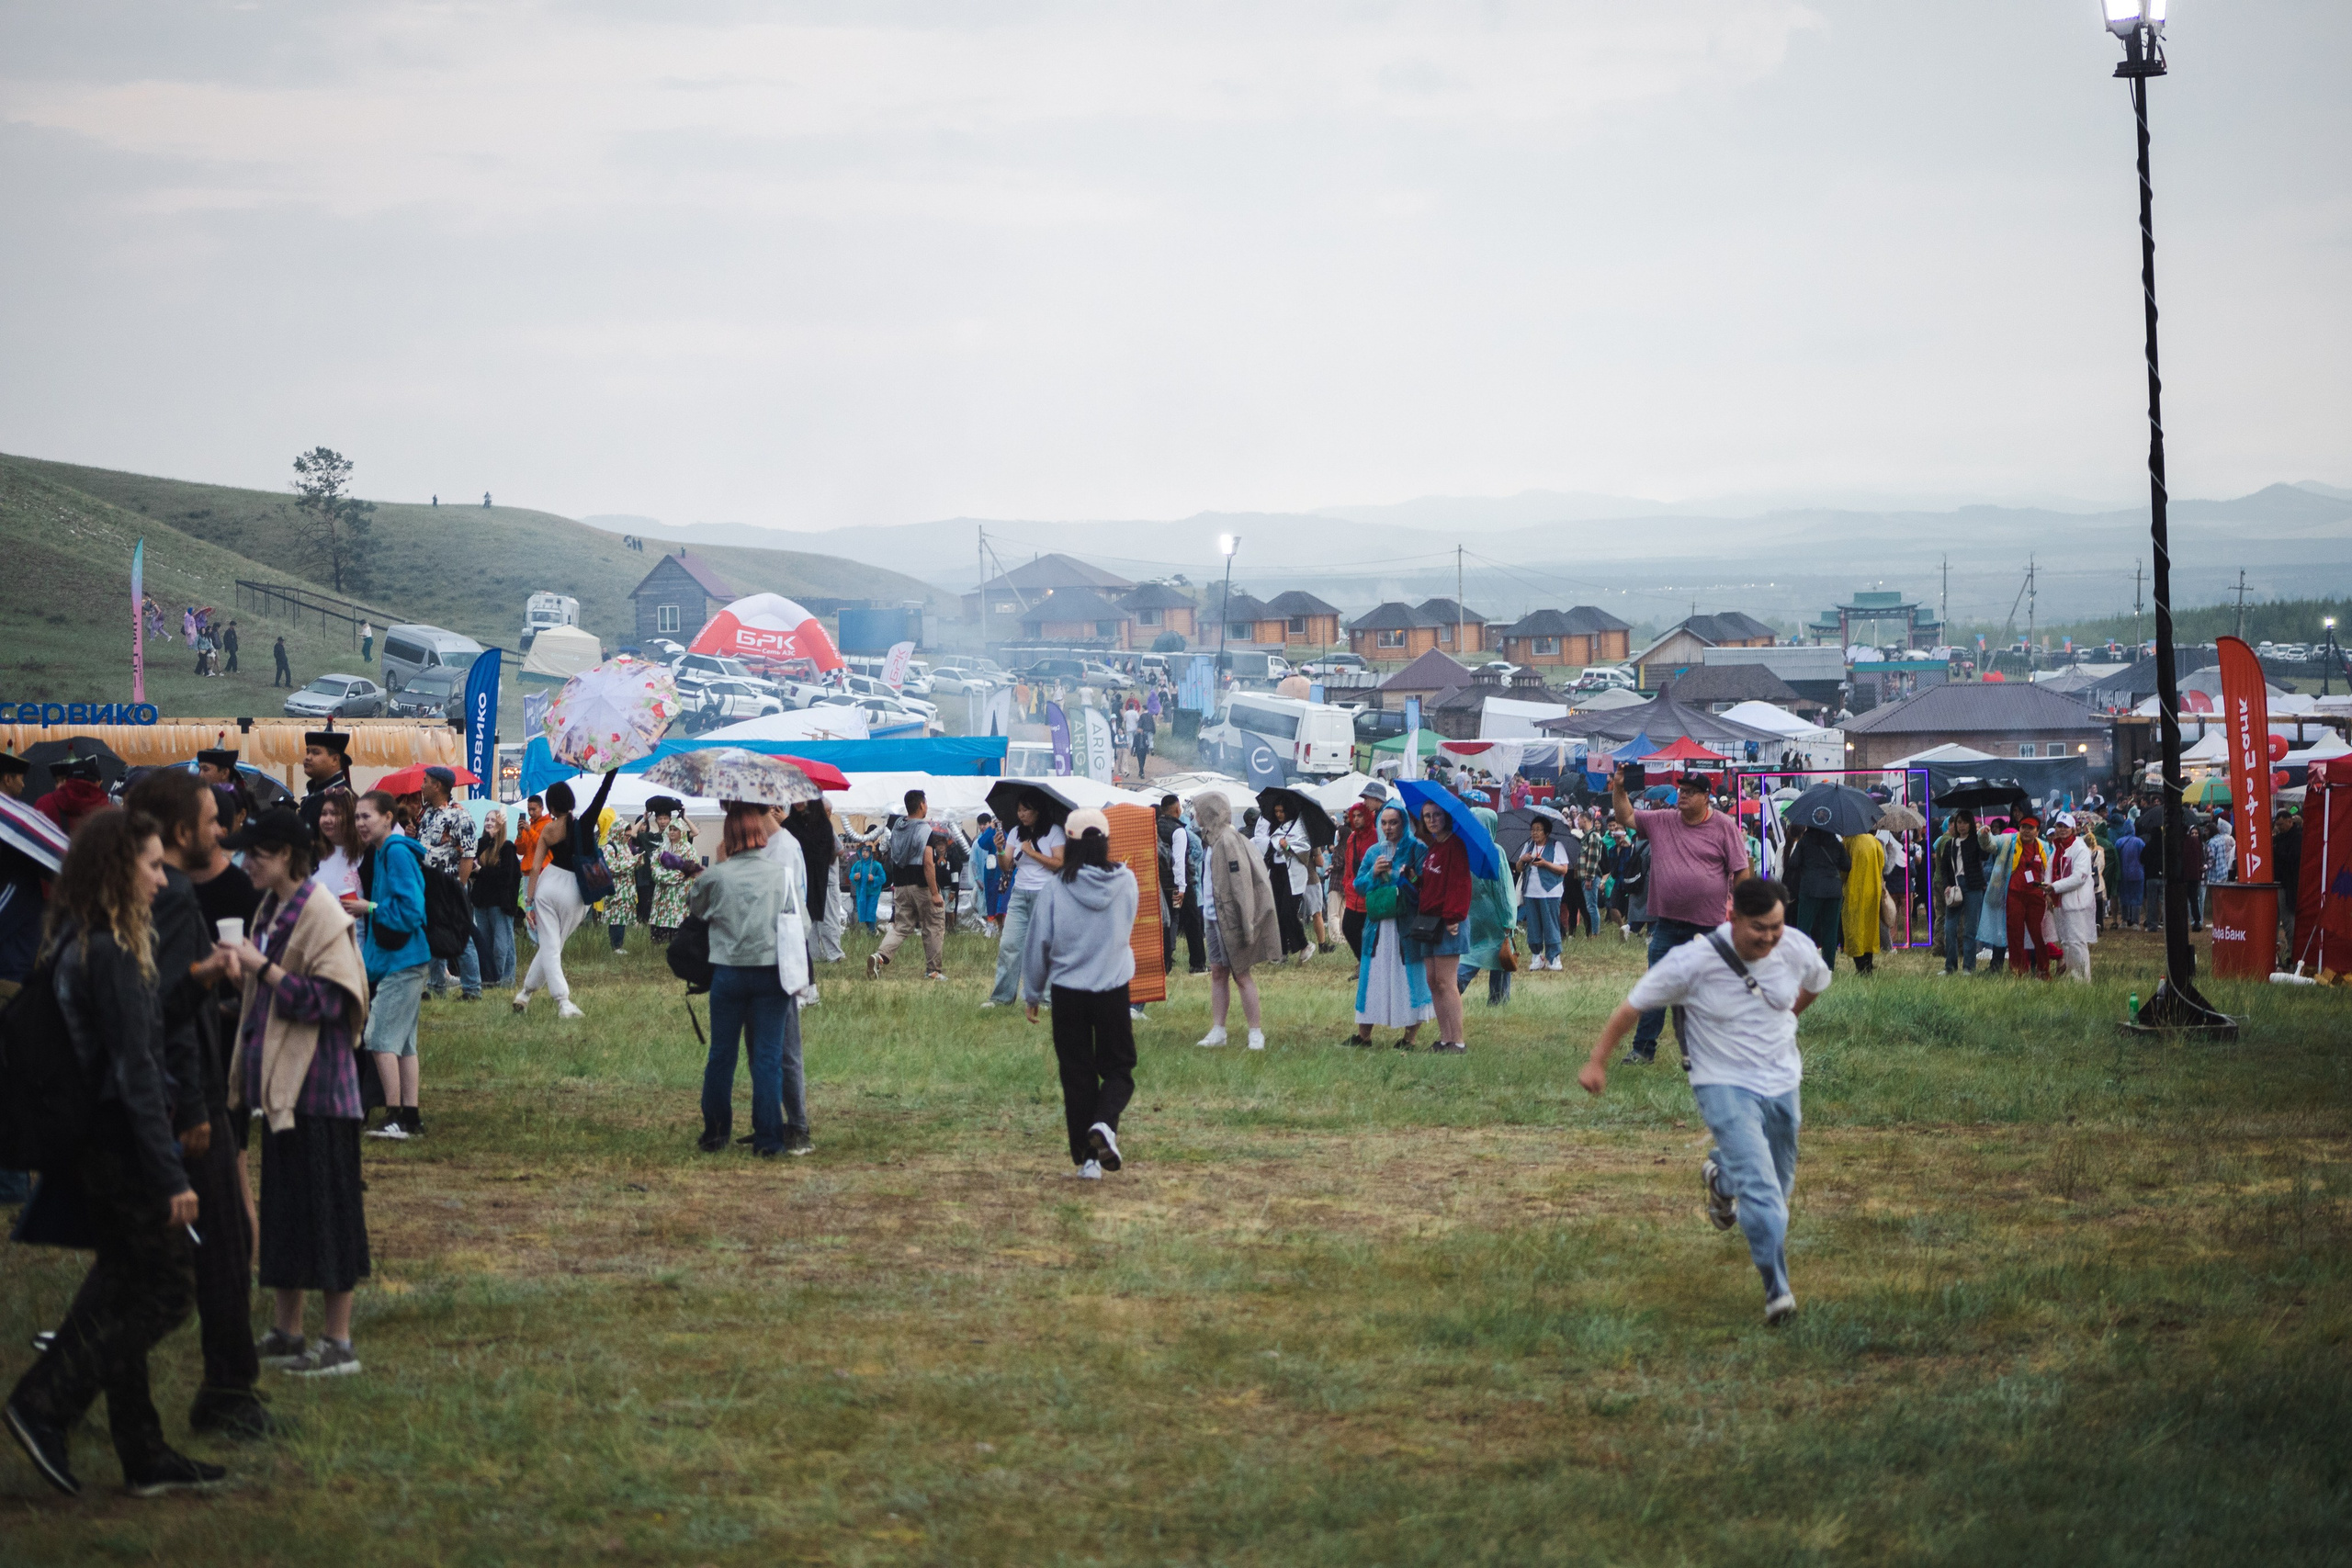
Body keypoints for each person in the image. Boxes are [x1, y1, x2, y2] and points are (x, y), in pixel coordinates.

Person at [5, 808, 223, 1499]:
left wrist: (198, 980)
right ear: (117, 868)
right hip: (120, 1143)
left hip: (95, 1139)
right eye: (153, 865)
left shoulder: (80, 938)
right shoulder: (112, 950)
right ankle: (46, 1401)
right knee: (169, 1288)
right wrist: (169, 1178)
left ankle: (143, 1450)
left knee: (120, 1284)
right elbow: (133, 1067)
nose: (163, 878)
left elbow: (142, 1025)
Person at [1577, 877, 1830, 1328]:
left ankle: (1721, 1175)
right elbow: (1630, 1008)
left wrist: (1789, 1016)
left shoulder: (1794, 946)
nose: (1770, 937)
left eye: (1776, 925)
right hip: (1722, 1081)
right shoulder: (1692, 961)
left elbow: (1816, 981)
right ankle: (1778, 1292)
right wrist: (1597, 1062)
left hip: (1782, 1078)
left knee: (1780, 1180)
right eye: (1759, 928)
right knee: (1763, 1189)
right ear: (1731, 918)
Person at [218, 807, 373, 1380]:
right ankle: (288, 1332)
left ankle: (339, 1345)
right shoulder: (272, 908)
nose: (245, 861)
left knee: (329, 1213)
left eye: (256, 853)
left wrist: (266, 971)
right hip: (284, 1092)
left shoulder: (320, 913)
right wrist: (245, 977)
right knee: (286, 1212)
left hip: (323, 1095)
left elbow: (336, 1002)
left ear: (285, 855)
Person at [1022, 809, 1138, 1180]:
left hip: (1068, 992)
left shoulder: (1056, 888)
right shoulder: (1126, 882)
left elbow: (1039, 941)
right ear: (1104, 841)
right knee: (1119, 1069)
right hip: (1113, 989)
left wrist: (1032, 992)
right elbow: (1128, 926)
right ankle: (1105, 1124)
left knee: (1077, 1074)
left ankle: (1088, 1161)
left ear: (1068, 842)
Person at [690, 802, 812, 1157]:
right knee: (768, 1058)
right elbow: (802, 926)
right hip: (771, 974)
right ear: (761, 833)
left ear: (728, 837)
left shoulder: (717, 876)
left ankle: (715, 1132)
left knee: (721, 1056)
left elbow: (697, 909)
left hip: (727, 973)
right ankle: (770, 1139)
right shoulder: (781, 876)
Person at [1610, 769, 1752, 1065]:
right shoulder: (1662, 820)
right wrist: (1620, 789)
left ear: (1706, 797)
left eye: (1690, 791)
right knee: (1656, 988)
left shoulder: (1724, 827)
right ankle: (1642, 1050)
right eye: (1681, 790)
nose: (1683, 794)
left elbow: (1741, 870)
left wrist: (1740, 911)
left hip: (1708, 927)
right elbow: (1626, 817)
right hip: (1667, 925)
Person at [353, 791, 432, 1136]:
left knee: (379, 1038)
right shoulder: (386, 851)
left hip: (404, 960)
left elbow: (412, 909)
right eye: (357, 817)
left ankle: (396, 1115)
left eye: (366, 816)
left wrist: (368, 908)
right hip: (405, 960)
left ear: (388, 817)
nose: (360, 824)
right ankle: (409, 1118)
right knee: (404, 1044)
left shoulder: (396, 852)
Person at [516, 773, 617, 1018]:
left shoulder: (548, 831)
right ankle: (562, 1001)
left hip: (548, 885)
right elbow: (601, 797)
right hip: (576, 890)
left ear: (550, 806)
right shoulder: (583, 824)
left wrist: (528, 904)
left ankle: (526, 993)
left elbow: (536, 868)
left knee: (549, 946)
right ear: (571, 802)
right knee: (554, 946)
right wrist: (611, 772)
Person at [1191, 791, 1277, 1051]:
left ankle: (1255, 1032)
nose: (1194, 815)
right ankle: (1218, 1030)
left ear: (1209, 812)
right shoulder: (1213, 839)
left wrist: (1245, 919)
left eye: (1198, 810)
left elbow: (1240, 884)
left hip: (1229, 917)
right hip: (1212, 914)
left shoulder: (1228, 840)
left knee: (1241, 973)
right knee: (1218, 972)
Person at [1349, 803, 1433, 1048]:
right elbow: (1358, 886)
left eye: (1393, 822)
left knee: (1408, 978)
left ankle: (1409, 1038)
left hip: (1406, 926)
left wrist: (1405, 876)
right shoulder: (1374, 852)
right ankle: (1363, 1036)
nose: (1387, 828)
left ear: (1404, 823)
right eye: (1383, 822)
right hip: (1377, 927)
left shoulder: (1417, 849)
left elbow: (1424, 886)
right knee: (1373, 975)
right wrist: (1374, 873)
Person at [982, 792, 1062, 1004]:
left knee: (1043, 948)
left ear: (1037, 811)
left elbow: (1059, 864)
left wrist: (1031, 852)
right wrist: (999, 849)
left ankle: (1044, 1000)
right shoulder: (1016, 832)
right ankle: (1001, 998)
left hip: (1045, 894)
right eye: (1019, 810)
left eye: (1025, 810)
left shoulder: (1054, 832)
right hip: (1019, 894)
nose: (1021, 814)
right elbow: (1006, 865)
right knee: (1009, 945)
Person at [1414, 798, 1476, 1052]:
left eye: (1436, 815)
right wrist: (1413, 879)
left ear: (1446, 817)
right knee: (1432, 981)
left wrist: (1454, 916)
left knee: (1447, 982)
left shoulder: (1455, 846)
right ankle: (1444, 1038)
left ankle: (1458, 1040)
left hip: (1449, 921)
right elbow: (1432, 884)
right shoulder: (1433, 848)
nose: (1431, 820)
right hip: (1429, 921)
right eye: (1427, 816)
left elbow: (1460, 884)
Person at [415, 767, 481, 998]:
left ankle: (473, 989)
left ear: (438, 786)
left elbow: (468, 855)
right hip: (428, 884)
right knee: (434, 935)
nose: (421, 786)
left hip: (449, 884)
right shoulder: (427, 814)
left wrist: (460, 887)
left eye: (425, 782)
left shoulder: (459, 815)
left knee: (460, 935)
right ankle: (436, 987)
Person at [872, 789, 946, 983]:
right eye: (926, 803)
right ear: (922, 805)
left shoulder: (898, 827)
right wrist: (935, 893)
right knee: (933, 925)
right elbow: (928, 863)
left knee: (901, 926)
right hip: (921, 885)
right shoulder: (924, 830)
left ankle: (880, 956)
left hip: (901, 884)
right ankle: (933, 971)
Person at [470, 807, 521, 988]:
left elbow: (505, 877)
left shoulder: (507, 848)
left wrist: (481, 871)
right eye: (487, 820)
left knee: (502, 946)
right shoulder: (482, 845)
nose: (489, 823)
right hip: (481, 902)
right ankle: (489, 979)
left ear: (501, 825)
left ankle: (504, 981)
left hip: (500, 903)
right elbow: (471, 857)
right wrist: (488, 837)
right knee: (485, 945)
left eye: (493, 820)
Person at [1933, 812, 1990, 975]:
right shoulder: (1950, 844)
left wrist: (1985, 837)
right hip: (1955, 888)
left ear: (1970, 824)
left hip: (1973, 887)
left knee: (1969, 929)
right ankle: (1950, 966)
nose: (1961, 825)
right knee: (1949, 927)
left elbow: (1985, 855)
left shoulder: (1976, 841)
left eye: (1965, 822)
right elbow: (1944, 869)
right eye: (1959, 822)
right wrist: (1947, 885)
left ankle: (1968, 966)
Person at [1335, 786, 1383, 966]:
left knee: (1371, 933)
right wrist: (1346, 884)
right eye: (1353, 816)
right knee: (1348, 928)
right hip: (1354, 892)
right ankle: (1364, 963)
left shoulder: (1377, 836)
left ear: (1367, 816)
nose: (1356, 819)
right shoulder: (1351, 838)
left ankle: (1370, 965)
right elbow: (1348, 865)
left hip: (1371, 893)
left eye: (1359, 815)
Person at [2049, 814, 2098, 983]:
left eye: (2065, 826)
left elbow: (2080, 877)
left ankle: (2083, 979)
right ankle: (2072, 975)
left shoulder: (2079, 848)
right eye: (2059, 826)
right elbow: (2051, 871)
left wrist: (2055, 887)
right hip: (2059, 902)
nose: (2061, 829)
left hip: (2075, 902)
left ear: (2073, 829)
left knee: (2077, 941)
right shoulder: (2058, 847)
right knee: (2066, 941)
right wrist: (2047, 889)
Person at [1264, 796, 1315, 962]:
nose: (1279, 814)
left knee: (1288, 912)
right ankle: (1281, 951)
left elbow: (1304, 848)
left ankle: (1304, 944)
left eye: (1282, 811)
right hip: (1277, 872)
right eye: (1276, 811)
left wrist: (1287, 846)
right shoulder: (1273, 827)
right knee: (1277, 912)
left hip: (1293, 872)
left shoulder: (1299, 826)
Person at [1515, 816, 1569, 969]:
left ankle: (1554, 958)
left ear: (1546, 832)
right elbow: (1519, 868)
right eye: (1532, 830)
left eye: (1538, 830)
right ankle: (1536, 957)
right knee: (1533, 926)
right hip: (1530, 892)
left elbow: (1564, 869)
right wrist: (1522, 860)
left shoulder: (1556, 845)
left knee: (1550, 924)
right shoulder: (1528, 846)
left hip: (1551, 892)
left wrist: (1545, 864)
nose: (1535, 833)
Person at [2003, 816, 2053, 978]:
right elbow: (1989, 844)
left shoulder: (2045, 847)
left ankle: (2043, 969)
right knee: (2015, 933)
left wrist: (2050, 893)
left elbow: (2049, 872)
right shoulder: (2010, 844)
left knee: (2039, 934)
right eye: (2023, 826)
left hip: (2036, 896)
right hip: (2015, 894)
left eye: (2030, 828)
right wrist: (1984, 835)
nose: (2026, 830)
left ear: (2037, 831)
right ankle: (2018, 970)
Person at [1164, 793, 1207, 975]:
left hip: (1161, 884)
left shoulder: (1155, 826)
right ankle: (1197, 964)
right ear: (1177, 809)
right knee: (1192, 921)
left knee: (1167, 921)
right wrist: (1182, 888)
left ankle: (1165, 963)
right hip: (1180, 885)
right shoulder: (1178, 831)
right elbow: (1179, 861)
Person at [1840, 829, 1886, 975]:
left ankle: (1860, 966)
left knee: (1854, 928)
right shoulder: (1874, 841)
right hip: (1873, 890)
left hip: (1855, 890)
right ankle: (1869, 964)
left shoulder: (1848, 841)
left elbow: (1843, 868)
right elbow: (1882, 864)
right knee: (1869, 928)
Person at [649, 818, 698, 942]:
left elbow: (689, 869)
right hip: (662, 890)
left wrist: (668, 878)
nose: (671, 832)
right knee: (662, 914)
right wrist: (659, 876)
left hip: (679, 891)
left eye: (675, 830)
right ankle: (659, 941)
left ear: (681, 832)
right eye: (670, 829)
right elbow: (654, 864)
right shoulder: (662, 848)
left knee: (677, 915)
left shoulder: (688, 849)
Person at [295, 730, 351, 837]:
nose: (308, 758)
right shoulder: (315, 793)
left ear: (335, 759)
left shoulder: (341, 797)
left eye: (316, 753)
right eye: (308, 752)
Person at [598, 809, 636, 954]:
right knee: (616, 917)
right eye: (625, 835)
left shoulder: (625, 847)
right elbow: (610, 867)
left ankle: (619, 945)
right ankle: (615, 946)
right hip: (616, 889)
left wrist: (635, 862)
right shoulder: (609, 847)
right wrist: (631, 864)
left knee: (622, 917)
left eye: (629, 836)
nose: (627, 838)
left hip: (627, 889)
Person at [2113, 816, 2147, 930]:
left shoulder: (2119, 842)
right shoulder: (2140, 842)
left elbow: (2116, 858)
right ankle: (2136, 923)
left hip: (2124, 874)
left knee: (2124, 897)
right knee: (2137, 898)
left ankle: (2124, 920)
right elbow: (2144, 857)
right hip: (2138, 873)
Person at [848, 840, 886, 936]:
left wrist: (874, 878)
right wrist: (854, 877)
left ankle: (872, 931)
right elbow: (851, 874)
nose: (864, 853)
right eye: (863, 851)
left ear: (871, 853)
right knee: (862, 911)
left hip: (873, 893)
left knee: (870, 912)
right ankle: (868, 931)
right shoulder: (858, 864)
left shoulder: (877, 865)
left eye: (867, 851)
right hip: (861, 892)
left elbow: (883, 878)